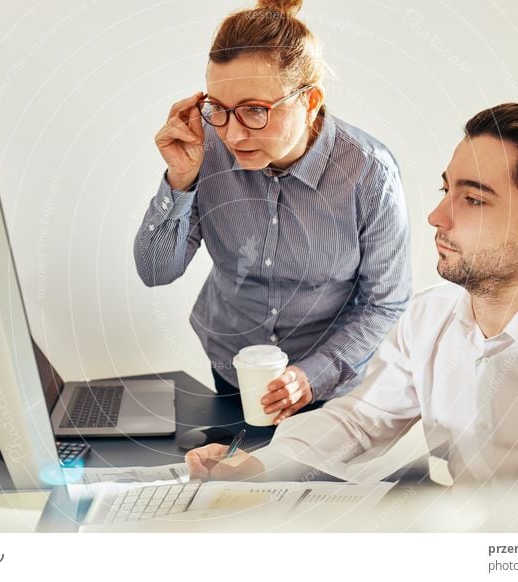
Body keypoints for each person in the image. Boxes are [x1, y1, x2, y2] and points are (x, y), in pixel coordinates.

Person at [186, 102, 518, 483]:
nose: (436, 216)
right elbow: (361, 419)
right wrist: (258, 467)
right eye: (446, 190)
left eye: (473, 199)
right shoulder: (431, 315)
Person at [133, 0, 411, 422]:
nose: (233, 132)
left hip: (330, 382)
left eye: (255, 110)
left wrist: (310, 377)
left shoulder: (370, 173)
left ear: (311, 100)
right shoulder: (205, 145)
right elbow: (156, 271)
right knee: (238, 478)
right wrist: (179, 180)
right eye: (219, 109)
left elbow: (384, 304)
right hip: (233, 365)